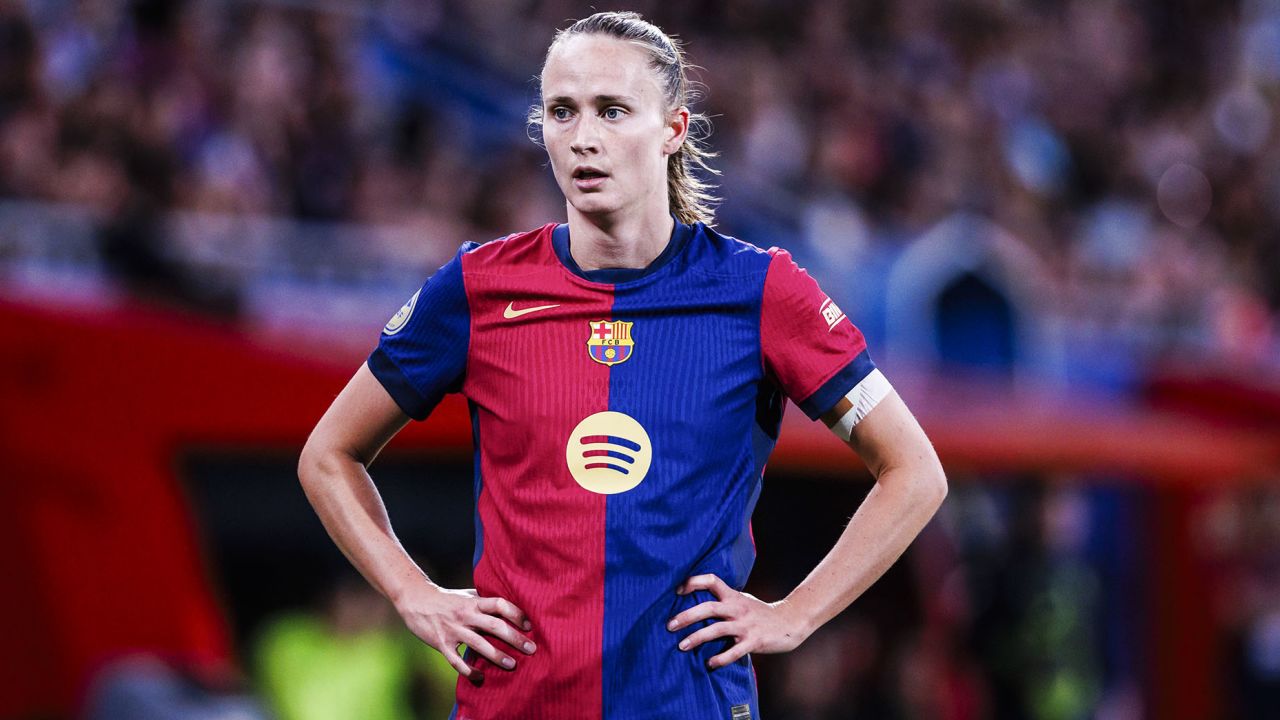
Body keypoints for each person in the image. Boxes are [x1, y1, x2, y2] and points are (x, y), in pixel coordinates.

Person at [298, 11, 947, 720]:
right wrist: (410, 592)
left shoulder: (763, 293)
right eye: (561, 112)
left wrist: (795, 614)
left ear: (672, 129)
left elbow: (914, 472)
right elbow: (329, 454)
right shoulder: (478, 290)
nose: (583, 138)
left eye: (611, 111)